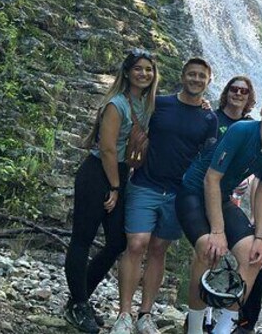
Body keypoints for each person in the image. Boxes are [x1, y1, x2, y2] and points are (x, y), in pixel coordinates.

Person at [110, 58, 218, 334]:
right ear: (182, 76)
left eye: (201, 76)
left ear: (208, 81)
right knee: (136, 244)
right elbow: (131, 114)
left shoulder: (209, 117)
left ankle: (145, 314)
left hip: (178, 193)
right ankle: (124, 313)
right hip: (146, 183)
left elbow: (209, 156)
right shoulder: (159, 103)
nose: (196, 79)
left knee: (159, 249)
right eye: (191, 74)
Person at [176, 89, 262, 334]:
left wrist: (260, 238)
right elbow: (211, 179)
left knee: (254, 259)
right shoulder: (241, 130)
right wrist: (218, 231)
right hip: (193, 193)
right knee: (208, 250)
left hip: (220, 198)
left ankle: (224, 328)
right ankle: (195, 329)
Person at [64, 49, 159, 333]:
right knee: (82, 237)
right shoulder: (116, 104)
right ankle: (80, 305)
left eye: (149, 69)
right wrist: (115, 187)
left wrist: (203, 104)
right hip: (98, 173)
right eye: (138, 69)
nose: (144, 74)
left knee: (118, 242)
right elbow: (106, 149)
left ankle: (76, 300)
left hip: (120, 175)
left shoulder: (146, 103)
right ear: (127, 72)